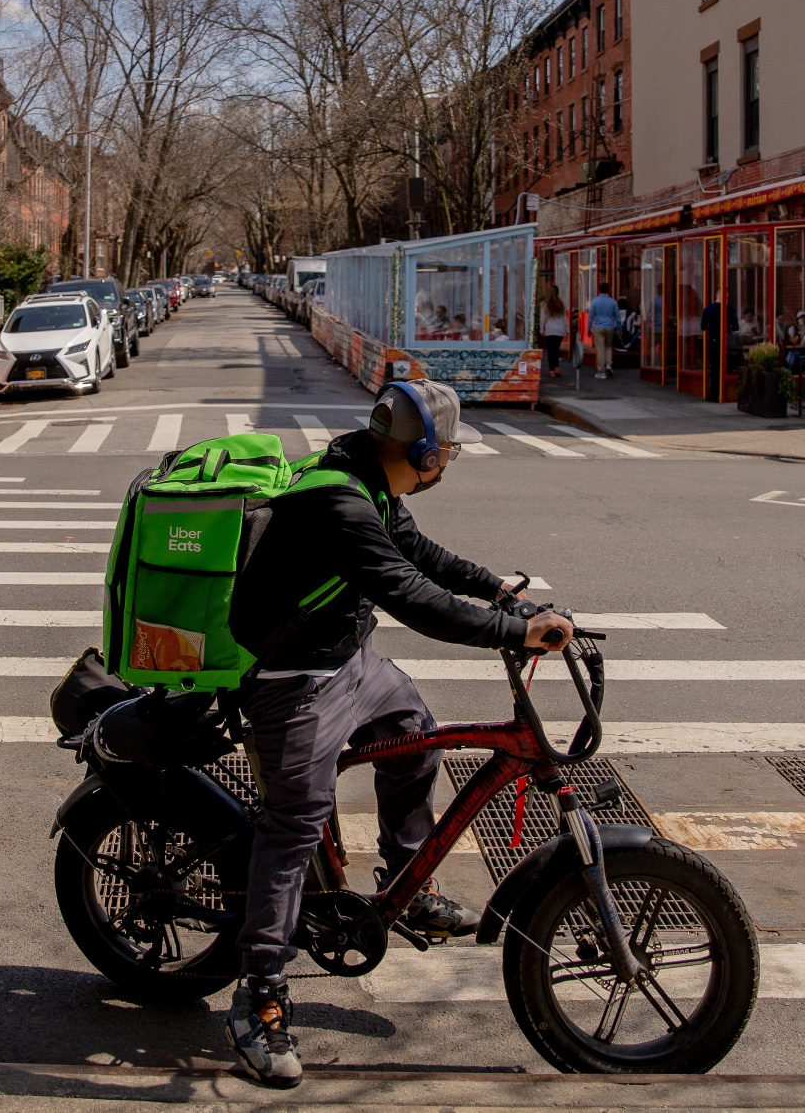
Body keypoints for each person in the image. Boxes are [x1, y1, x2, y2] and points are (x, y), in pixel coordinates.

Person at [221, 381, 574, 1088]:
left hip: (345, 659)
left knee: (415, 730)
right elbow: (407, 593)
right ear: (421, 451)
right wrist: (515, 632)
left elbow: (419, 552)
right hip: (293, 682)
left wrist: (499, 591)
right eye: (445, 451)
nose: (447, 463)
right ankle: (257, 996)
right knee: (294, 824)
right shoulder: (339, 500)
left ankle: (406, 885)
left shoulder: (367, 478)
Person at [587, 281, 620, 379]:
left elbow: (591, 317)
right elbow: (617, 317)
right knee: (608, 346)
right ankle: (609, 365)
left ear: (599, 289)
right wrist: (619, 328)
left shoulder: (594, 302)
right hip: (610, 327)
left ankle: (601, 371)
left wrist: (589, 329)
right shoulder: (613, 301)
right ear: (608, 290)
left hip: (598, 327)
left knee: (600, 348)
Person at [538, 286, 569, 379]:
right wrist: (567, 329)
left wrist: (541, 329)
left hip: (549, 330)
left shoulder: (544, 304)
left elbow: (542, 319)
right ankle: (557, 368)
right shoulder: (561, 304)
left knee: (551, 350)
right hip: (559, 330)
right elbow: (564, 318)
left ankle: (551, 370)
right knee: (556, 349)